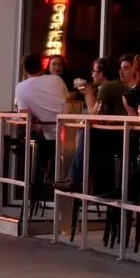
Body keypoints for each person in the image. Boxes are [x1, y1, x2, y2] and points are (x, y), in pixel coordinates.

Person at [56, 57, 126, 192]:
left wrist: (88, 93)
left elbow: (93, 115)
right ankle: (79, 180)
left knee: (85, 133)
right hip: (121, 136)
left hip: (118, 139)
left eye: (93, 71)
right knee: (87, 135)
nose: (91, 74)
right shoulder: (116, 85)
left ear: (101, 73)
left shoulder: (107, 87)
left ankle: (75, 180)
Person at [14, 52, 68, 141]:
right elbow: (67, 100)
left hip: (50, 137)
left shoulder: (20, 87)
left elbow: (25, 116)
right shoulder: (56, 79)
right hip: (68, 131)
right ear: (42, 67)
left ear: (24, 70)